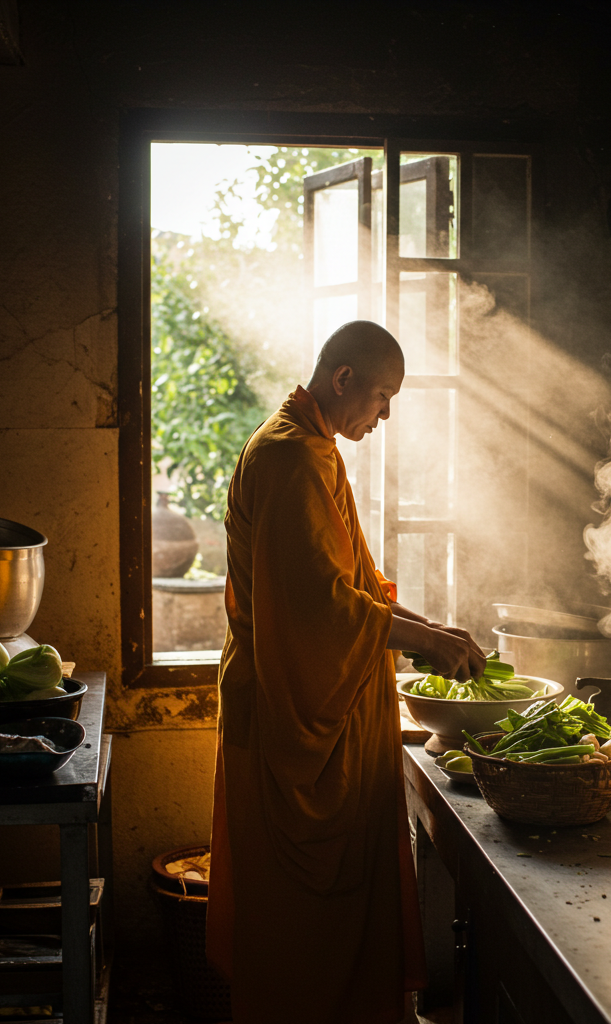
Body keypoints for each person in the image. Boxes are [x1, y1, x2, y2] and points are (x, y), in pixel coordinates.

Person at [206, 320, 487, 1024]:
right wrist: (419, 638)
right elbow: (318, 610)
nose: (385, 415)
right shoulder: (288, 459)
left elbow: (351, 585)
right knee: (296, 926)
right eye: (383, 396)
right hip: (286, 711)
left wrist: (428, 629)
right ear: (343, 381)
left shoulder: (312, 448)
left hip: (318, 704)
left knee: (334, 920)